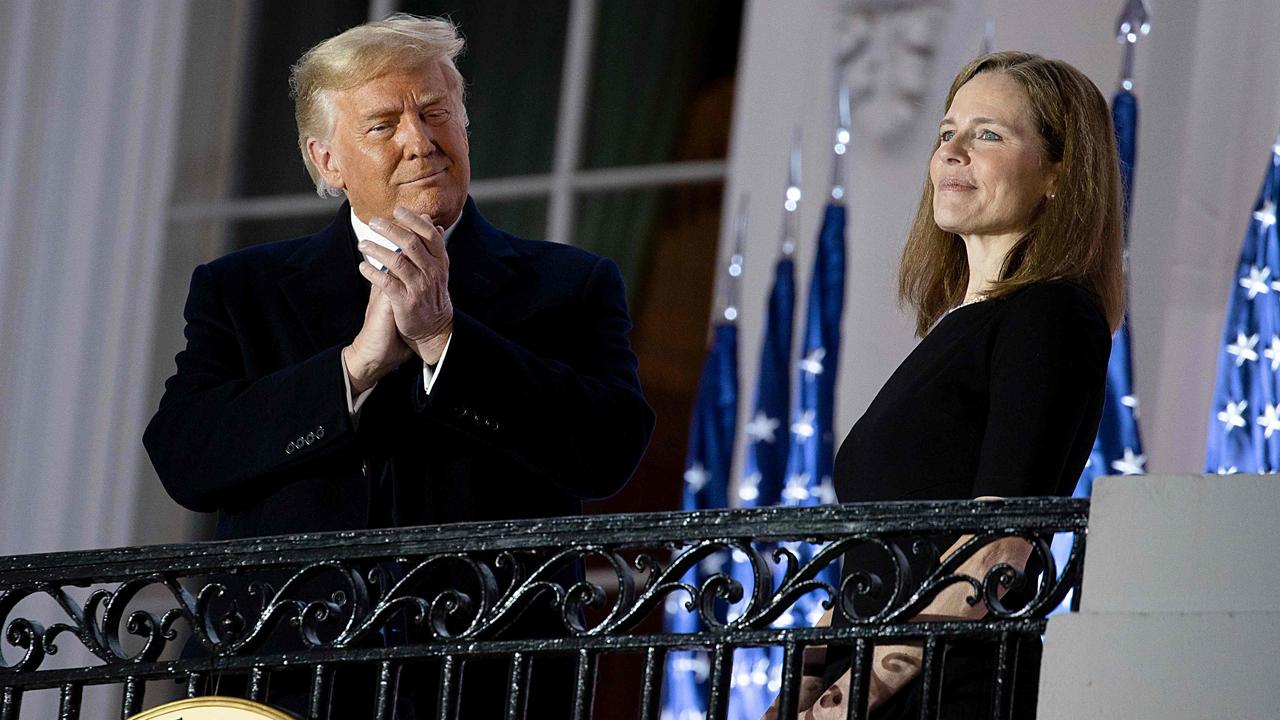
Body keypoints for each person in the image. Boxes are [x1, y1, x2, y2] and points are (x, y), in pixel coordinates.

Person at [144, 13, 654, 717]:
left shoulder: (570, 285)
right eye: (384, 125)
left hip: (492, 688)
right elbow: (186, 457)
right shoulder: (243, 289)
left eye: (438, 113)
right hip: (280, 687)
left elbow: (607, 451)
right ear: (328, 161)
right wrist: (352, 368)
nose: (421, 142)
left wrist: (446, 339)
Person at [769, 51, 1124, 719]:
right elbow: (872, 562)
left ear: (1057, 173)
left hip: (945, 690)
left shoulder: (1051, 314)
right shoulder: (957, 329)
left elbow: (997, 550)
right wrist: (798, 692)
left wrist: (844, 701)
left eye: (988, 133)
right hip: (879, 685)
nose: (952, 151)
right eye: (945, 133)